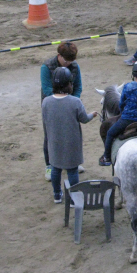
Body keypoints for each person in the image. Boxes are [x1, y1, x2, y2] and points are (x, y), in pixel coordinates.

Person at [41, 67, 98, 203]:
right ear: (69, 84)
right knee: (72, 171)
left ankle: (57, 195)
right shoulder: (75, 101)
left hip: (54, 142)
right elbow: (84, 119)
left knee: (55, 169)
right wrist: (93, 114)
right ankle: (74, 199)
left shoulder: (46, 102)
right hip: (72, 143)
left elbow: (45, 120)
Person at [41, 42, 84, 181]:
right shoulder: (46, 67)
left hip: (70, 104)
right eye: (66, 60)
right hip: (51, 105)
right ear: (59, 56)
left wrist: (72, 101)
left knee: (73, 133)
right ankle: (49, 165)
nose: (68, 63)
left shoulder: (74, 67)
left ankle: (72, 162)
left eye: (71, 61)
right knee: (50, 135)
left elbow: (78, 87)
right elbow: (47, 89)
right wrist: (62, 101)